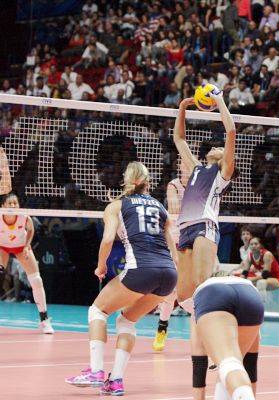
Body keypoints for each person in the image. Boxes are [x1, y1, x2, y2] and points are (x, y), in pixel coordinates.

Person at [65, 162, 177, 395]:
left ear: (125, 180)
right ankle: (115, 381)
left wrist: (101, 266)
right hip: (168, 274)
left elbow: (107, 240)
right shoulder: (160, 207)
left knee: (98, 310)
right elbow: (172, 248)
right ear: (147, 182)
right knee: (127, 321)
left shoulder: (116, 206)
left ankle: (96, 371)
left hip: (141, 269)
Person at [172, 92, 243, 400]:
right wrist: (182, 108)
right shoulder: (197, 168)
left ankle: (218, 349)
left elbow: (231, 131)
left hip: (204, 226)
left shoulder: (222, 172)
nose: (214, 148)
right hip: (185, 229)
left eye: (219, 149)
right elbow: (179, 139)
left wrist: (219, 101)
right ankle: (217, 329)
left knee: (201, 287)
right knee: (184, 295)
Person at [191, 275, 263, 400]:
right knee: (231, 367)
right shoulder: (243, 284)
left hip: (214, 295)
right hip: (252, 294)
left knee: (228, 363)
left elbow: (198, 359)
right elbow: (250, 363)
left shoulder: (200, 294)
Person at [0, 193, 53, 334]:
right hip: (2, 248)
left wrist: (27, 245)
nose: (13, 206)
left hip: (21, 247)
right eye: (9, 203)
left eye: (15, 203)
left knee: (36, 280)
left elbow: (30, 229)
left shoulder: (24, 217)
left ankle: (44, 320)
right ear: (3, 206)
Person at [153, 160, 191, 352]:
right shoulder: (173, 185)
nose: (188, 165)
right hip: (174, 243)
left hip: (193, 241)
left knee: (192, 291)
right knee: (171, 292)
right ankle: (162, 328)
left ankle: (204, 329)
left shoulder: (198, 183)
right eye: (184, 163)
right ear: (180, 166)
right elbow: (175, 208)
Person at [240, 236, 279, 301]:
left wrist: (251, 279)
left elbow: (265, 275)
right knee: (244, 283)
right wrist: (239, 280)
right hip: (264, 279)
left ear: (261, 245)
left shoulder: (267, 254)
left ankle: (262, 305)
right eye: (251, 244)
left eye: (256, 244)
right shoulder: (250, 256)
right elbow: (245, 273)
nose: (253, 246)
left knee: (260, 283)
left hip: (276, 279)